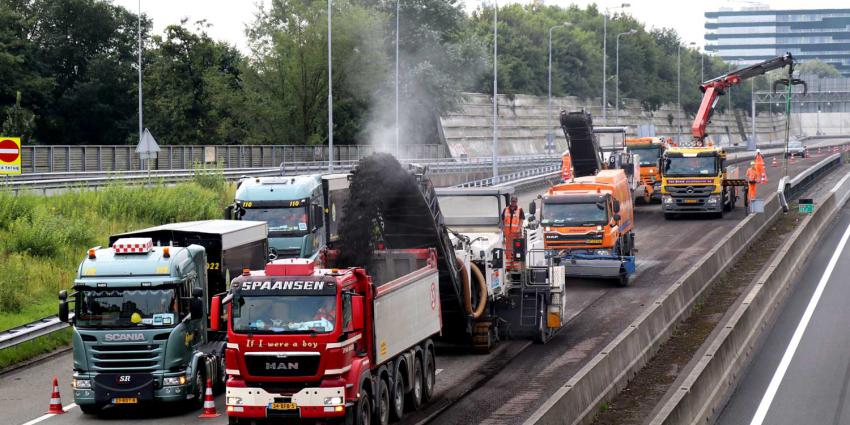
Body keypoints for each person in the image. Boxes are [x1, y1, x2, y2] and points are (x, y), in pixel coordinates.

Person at [501, 196, 525, 269]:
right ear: (510, 202)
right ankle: (508, 268)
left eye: (515, 201)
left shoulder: (519, 209)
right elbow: (502, 220)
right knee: (508, 251)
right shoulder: (505, 209)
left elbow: (521, 220)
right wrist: (503, 230)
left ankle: (516, 267)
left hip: (516, 234)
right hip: (507, 234)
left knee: (516, 250)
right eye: (512, 201)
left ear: (516, 202)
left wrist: (518, 228)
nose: (513, 203)